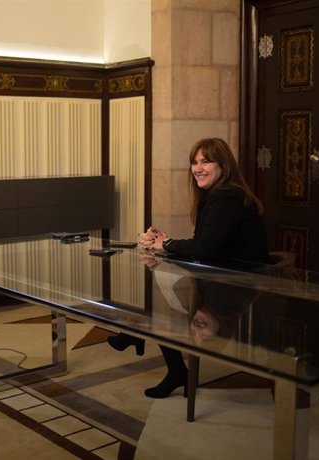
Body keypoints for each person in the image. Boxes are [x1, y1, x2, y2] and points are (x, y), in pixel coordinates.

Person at [108, 137, 269, 398]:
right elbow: (205, 244)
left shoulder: (228, 195)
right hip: (216, 274)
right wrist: (162, 242)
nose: (198, 168)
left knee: (159, 304)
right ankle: (140, 335)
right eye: (194, 162)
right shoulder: (214, 195)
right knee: (157, 289)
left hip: (234, 285)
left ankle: (138, 334)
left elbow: (204, 247)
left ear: (223, 165)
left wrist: (167, 243)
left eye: (206, 161)